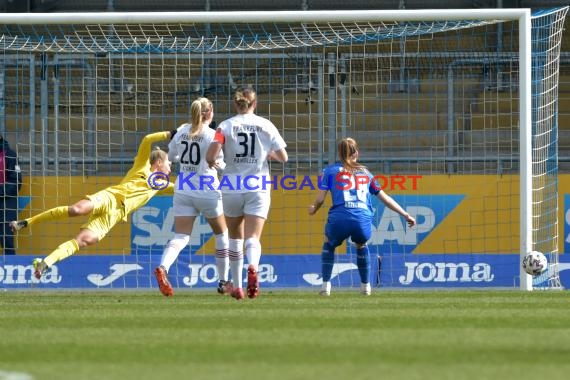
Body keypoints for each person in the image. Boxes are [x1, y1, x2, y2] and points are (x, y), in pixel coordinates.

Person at [10, 131, 174, 279]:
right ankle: (26, 222)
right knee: (76, 209)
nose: (170, 166)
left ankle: (45, 263)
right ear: (158, 162)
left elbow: (186, 186)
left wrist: (199, 178)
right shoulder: (142, 166)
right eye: (168, 163)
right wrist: (170, 133)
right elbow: (147, 139)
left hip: (114, 216)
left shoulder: (162, 185)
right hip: (109, 197)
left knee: (84, 241)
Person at [206, 86, 288, 300]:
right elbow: (283, 157)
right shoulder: (266, 125)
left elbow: (211, 155)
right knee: (253, 237)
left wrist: (219, 165)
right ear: (255, 103)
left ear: (236, 104)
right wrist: (266, 154)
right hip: (258, 184)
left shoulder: (225, 126)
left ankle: (238, 287)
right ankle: (253, 266)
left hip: (232, 185)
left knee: (234, 236)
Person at [308, 137, 416, 296]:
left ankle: (325, 287)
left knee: (329, 244)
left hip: (340, 218)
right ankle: (366, 287)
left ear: (339, 154)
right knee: (361, 244)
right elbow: (385, 198)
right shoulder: (366, 173)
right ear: (356, 153)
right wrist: (405, 214)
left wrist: (314, 208)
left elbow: (320, 199)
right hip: (362, 218)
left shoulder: (329, 171)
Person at [154, 97, 230, 297]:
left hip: (183, 187)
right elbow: (218, 164)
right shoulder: (213, 135)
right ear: (209, 112)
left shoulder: (181, 132)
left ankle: (163, 267)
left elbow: (170, 158)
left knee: (181, 236)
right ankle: (223, 281)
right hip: (206, 187)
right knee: (222, 234)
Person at [0, 135, 22, 255]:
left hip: (6, 205)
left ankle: (10, 268)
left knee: (6, 238)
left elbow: (16, 183)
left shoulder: (10, 155)